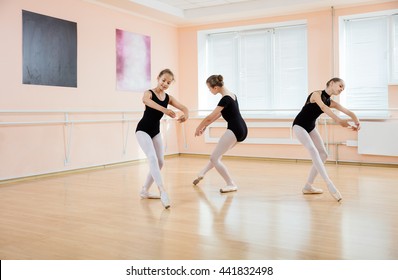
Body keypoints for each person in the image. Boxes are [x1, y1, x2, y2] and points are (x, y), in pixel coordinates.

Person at [292, 77, 360, 202]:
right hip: (299, 126)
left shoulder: (331, 102)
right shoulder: (316, 94)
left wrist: (357, 122)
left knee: (324, 154)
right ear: (332, 83)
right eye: (340, 86)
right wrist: (338, 120)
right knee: (313, 150)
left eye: (343, 88)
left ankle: (308, 186)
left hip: (311, 127)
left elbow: (348, 111)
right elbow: (323, 108)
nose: (342, 89)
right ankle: (329, 183)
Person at [136, 69, 189, 209]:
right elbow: (145, 100)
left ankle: (144, 191)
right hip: (142, 130)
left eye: (168, 82)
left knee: (160, 162)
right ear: (158, 78)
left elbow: (184, 107)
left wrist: (186, 115)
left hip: (155, 132)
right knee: (152, 158)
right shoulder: (149, 93)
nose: (165, 84)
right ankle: (162, 191)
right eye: (163, 80)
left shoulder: (168, 98)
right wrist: (165, 110)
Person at [193, 75, 248, 193]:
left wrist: (199, 127)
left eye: (209, 88)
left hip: (234, 129)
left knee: (214, 157)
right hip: (242, 128)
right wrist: (205, 126)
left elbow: (210, 116)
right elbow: (217, 115)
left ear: (216, 87)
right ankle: (202, 173)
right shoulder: (232, 95)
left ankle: (231, 184)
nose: (209, 91)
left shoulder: (225, 99)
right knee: (218, 155)